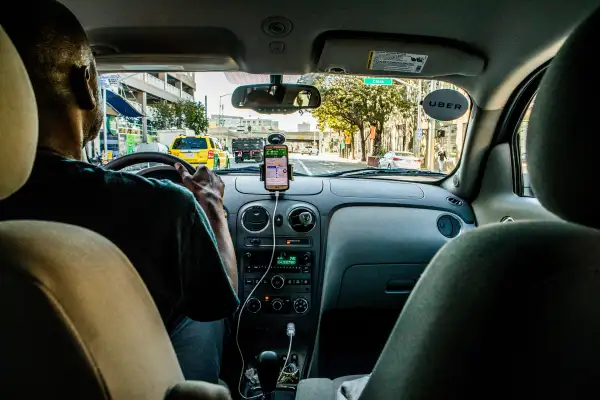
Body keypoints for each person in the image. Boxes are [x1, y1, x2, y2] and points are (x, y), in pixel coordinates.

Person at [0, 1, 239, 386]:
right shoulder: (162, 205)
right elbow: (220, 300)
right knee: (199, 318)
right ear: (86, 84)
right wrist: (212, 207)